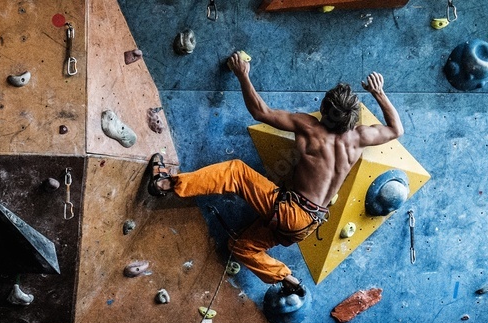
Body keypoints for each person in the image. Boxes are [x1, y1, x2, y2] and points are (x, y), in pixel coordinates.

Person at [148, 51, 404, 296]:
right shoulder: (359, 138)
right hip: (307, 226)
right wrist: (379, 93)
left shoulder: (309, 126)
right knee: (241, 247)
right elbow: (396, 129)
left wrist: (242, 75)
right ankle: (286, 277)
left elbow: (261, 112)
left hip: (292, 212)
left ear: (325, 106)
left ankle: (165, 184)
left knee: (236, 172)